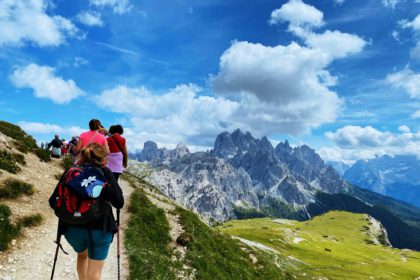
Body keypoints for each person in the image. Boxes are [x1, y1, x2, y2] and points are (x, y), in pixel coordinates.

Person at [50, 143, 124, 280]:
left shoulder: (71, 171)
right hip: (100, 229)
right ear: (103, 159)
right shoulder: (105, 172)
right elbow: (119, 202)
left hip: (72, 229)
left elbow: (52, 201)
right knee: (95, 273)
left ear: (83, 156)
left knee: (82, 256)